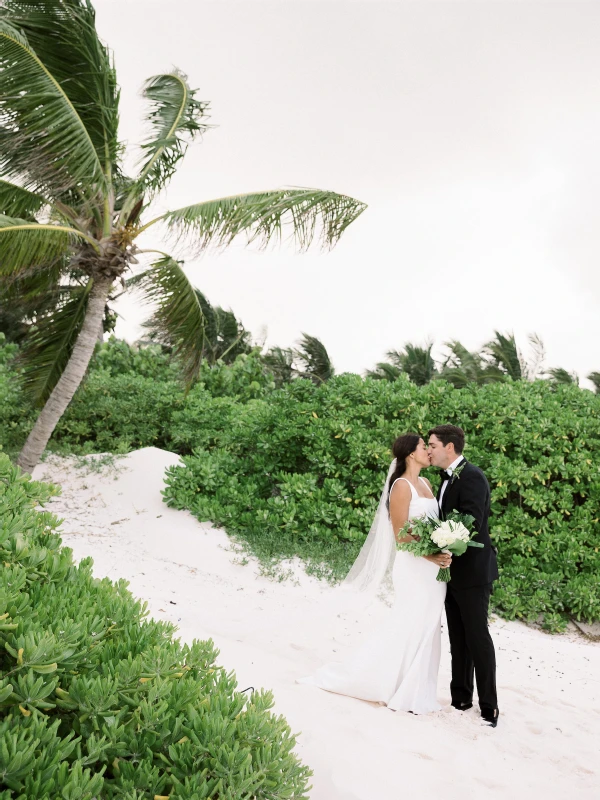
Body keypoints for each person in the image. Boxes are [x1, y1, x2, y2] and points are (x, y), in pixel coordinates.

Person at [298, 433, 450, 714]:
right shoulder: (402, 487)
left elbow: (433, 525)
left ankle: (414, 687)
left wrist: (445, 543)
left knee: (428, 623)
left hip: (432, 570)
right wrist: (432, 555)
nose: (428, 452)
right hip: (415, 567)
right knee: (409, 620)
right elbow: (401, 536)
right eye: (422, 448)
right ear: (410, 454)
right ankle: (379, 680)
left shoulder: (427, 483)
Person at [427, 424, 500, 727]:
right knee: (458, 636)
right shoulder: (443, 479)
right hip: (451, 571)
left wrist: (445, 546)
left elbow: (470, 522)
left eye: (432, 445)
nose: (428, 449)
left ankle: (489, 707)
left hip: (473, 571)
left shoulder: (472, 476)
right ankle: (460, 698)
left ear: (450, 447)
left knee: (477, 637)